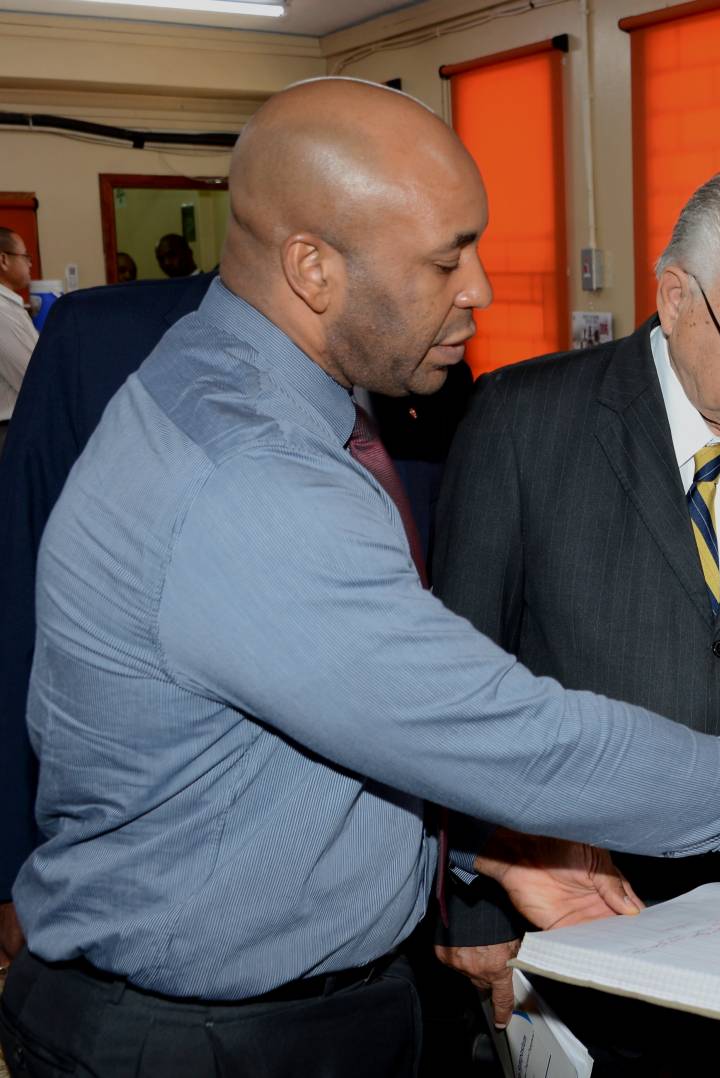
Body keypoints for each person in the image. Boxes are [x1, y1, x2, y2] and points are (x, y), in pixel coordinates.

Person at [0, 78, 720, 1077]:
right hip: (207, 1040)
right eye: (446, 258)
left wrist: (494, 849)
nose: (478, 287)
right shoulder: (253, 477)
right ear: (312, 267)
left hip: (277, 1005)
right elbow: (503, 732)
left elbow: (356, 721)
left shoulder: (223, 381)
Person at [431, 162, 720, 1042]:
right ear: (677, 296)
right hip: (574, 893)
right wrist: (480, 911)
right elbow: (458, 678)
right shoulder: (523, 422)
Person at [0, 269, 470, 1019]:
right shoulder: (100, 341)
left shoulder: (424, 354)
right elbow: (19, 596)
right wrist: (10, 865)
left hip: (383, 925)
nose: (466, 285)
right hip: (164, 950)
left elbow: (437, 608)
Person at [0, 227, 38, 461]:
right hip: (8, 430)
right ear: (3, 260)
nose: (30, 265)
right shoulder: (1, 313)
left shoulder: (10, 307)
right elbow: (33, 376)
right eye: (26, 257)